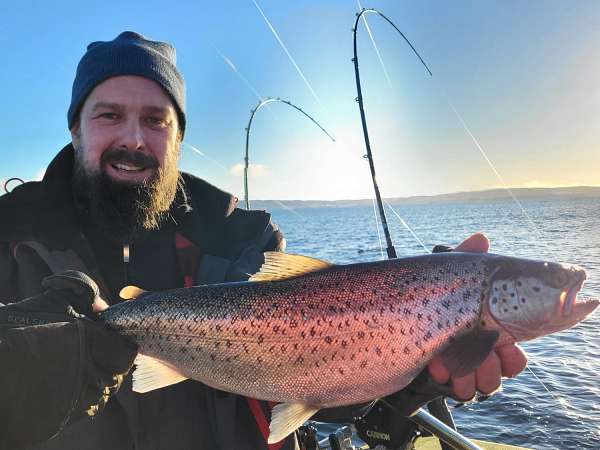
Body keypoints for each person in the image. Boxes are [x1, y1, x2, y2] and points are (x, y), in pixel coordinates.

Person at [0, 31, 526, 450]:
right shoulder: (9, 232)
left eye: (155, 120)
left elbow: (316, 384)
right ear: (76, 129)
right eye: (110, 115)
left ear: (178, 137)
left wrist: (413, 364)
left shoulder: (243, 236)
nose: (134, 139)